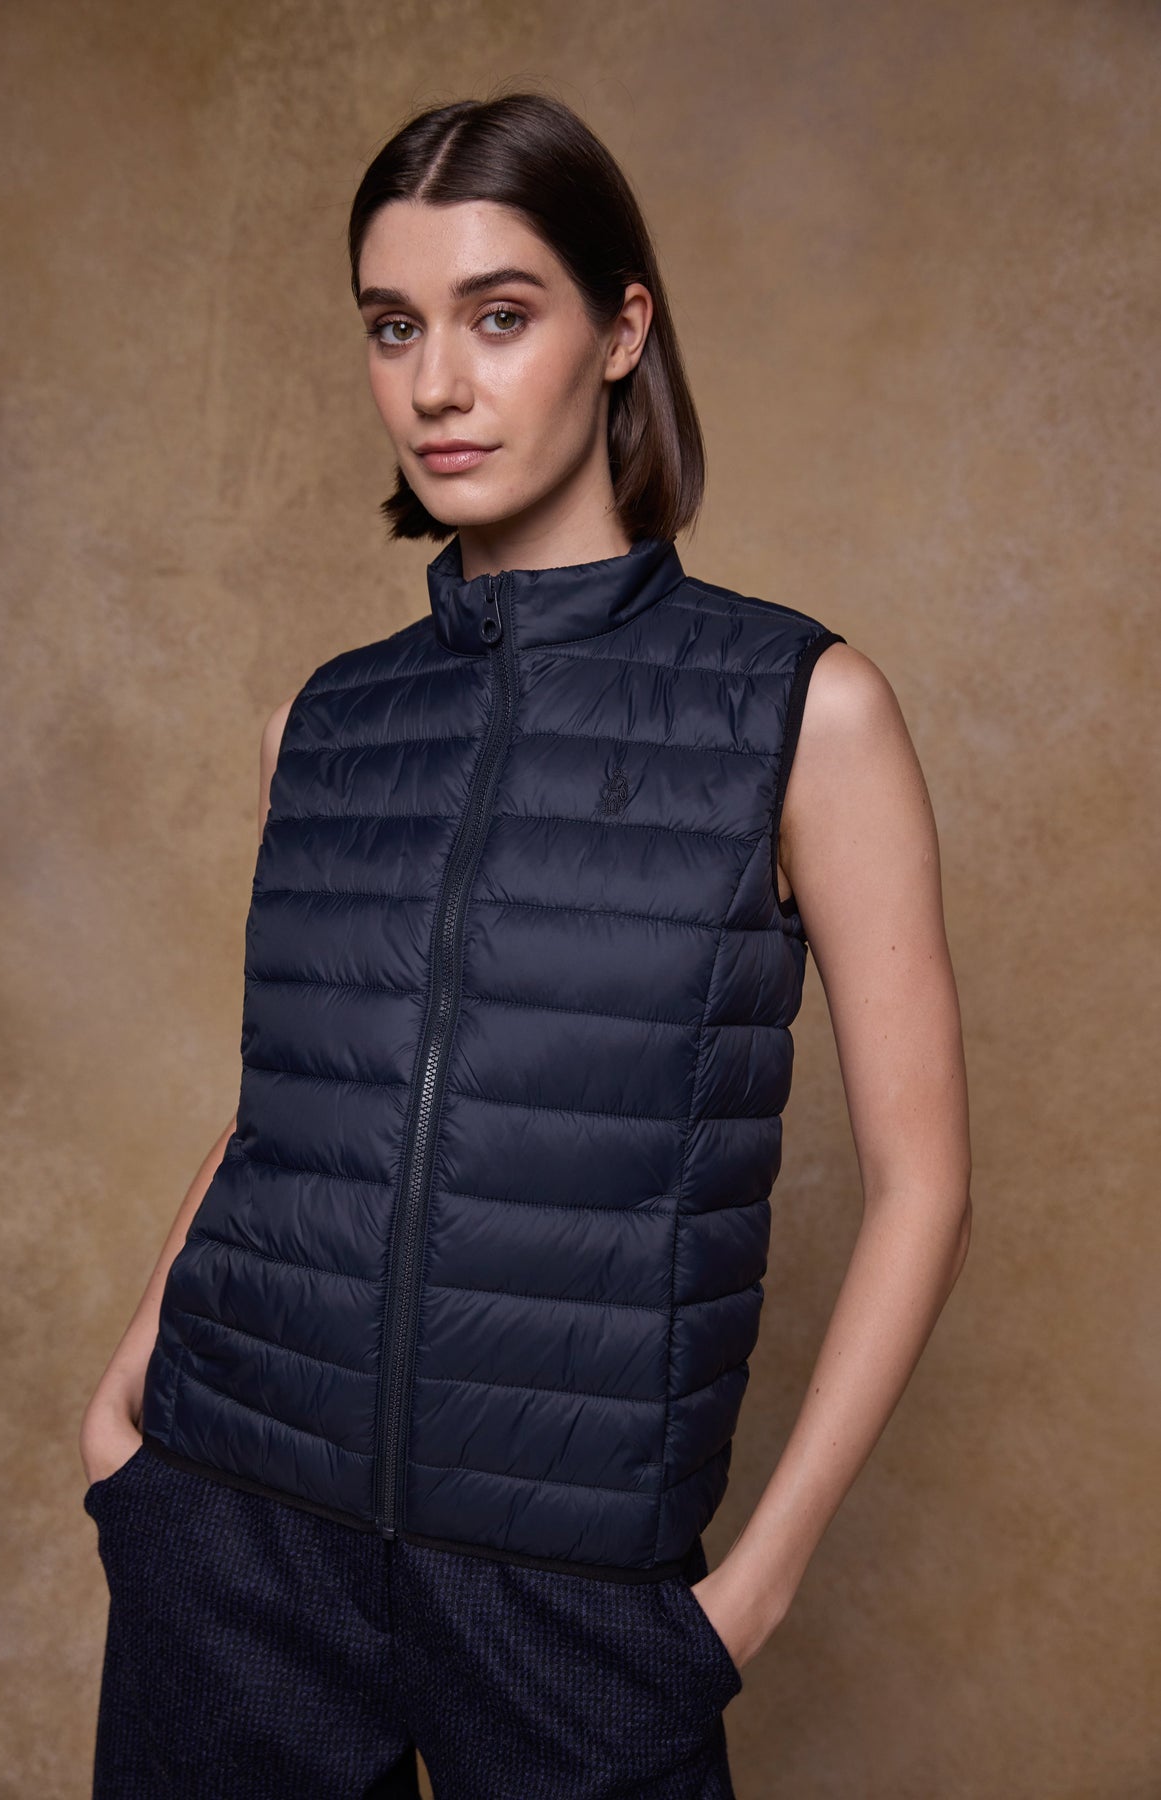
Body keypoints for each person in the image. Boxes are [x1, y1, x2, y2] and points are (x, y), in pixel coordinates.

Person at [79, 90, 972, 1800]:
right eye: (392, 327)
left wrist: (745, 1597)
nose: (436, 384)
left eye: (498, 316)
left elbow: (922, 1185)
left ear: (621, 331)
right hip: (232, 1538)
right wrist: (124, 1412)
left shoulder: (802, 711)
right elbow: (297, 1097)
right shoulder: (323, 724)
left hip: (571, 1607)